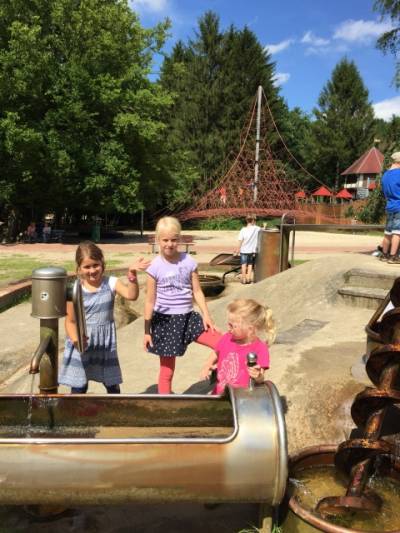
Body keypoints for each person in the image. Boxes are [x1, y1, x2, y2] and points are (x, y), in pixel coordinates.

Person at [59, 241, 150, 394]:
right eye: (87, 267)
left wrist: (132, 275)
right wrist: (76, 340)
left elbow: (131, 295)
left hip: (105, 344)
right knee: (79, 387)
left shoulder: (111, 283)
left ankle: (115, 408)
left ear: (102, 263)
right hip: (81, 343)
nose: (92, 270)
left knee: (112, 386)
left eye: (96, 265)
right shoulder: (74, 290)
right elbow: (70, 321)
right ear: (79, 268)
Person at [144, 216, 220, 394]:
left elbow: (197, 291)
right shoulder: (154, 267)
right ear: (158, 240)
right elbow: (149, 300)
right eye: (165, 240)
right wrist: (147, 331)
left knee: (222, 343)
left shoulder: (189, 262)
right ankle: (165, 401)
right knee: (167, 371)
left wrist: (207, 316)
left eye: (174, 239)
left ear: (179, 238)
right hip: (165, 322)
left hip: (188, 318)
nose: (170, 244)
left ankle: (219, 376)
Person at [200, 298, 276, 394]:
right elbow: (216, 352)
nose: (229, 328)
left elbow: (260, 378)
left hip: (242, 397)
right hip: (219, 393)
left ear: (250, 329)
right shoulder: (227, 338)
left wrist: (257, 375)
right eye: (229, 324)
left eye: (232, 326)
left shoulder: (260, 349)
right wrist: (207, 365)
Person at [380, 151, 400, 264]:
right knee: (397, 232)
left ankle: (384, 255)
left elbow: (384, 191)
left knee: (388, 232)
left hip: (390, 206)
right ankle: (393, 257)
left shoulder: (385, 175)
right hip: (399, 206)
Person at [234, 214, 261, 284]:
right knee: (250, 264)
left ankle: (244, 279)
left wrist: (237, 250)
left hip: (244, 250)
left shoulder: (243, 230)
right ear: (253, 221)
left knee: (243, 264)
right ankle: (248, 278)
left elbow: (240, 241)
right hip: (251, 251)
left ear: (246, 220)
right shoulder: (257, 228)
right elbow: (263, 229)